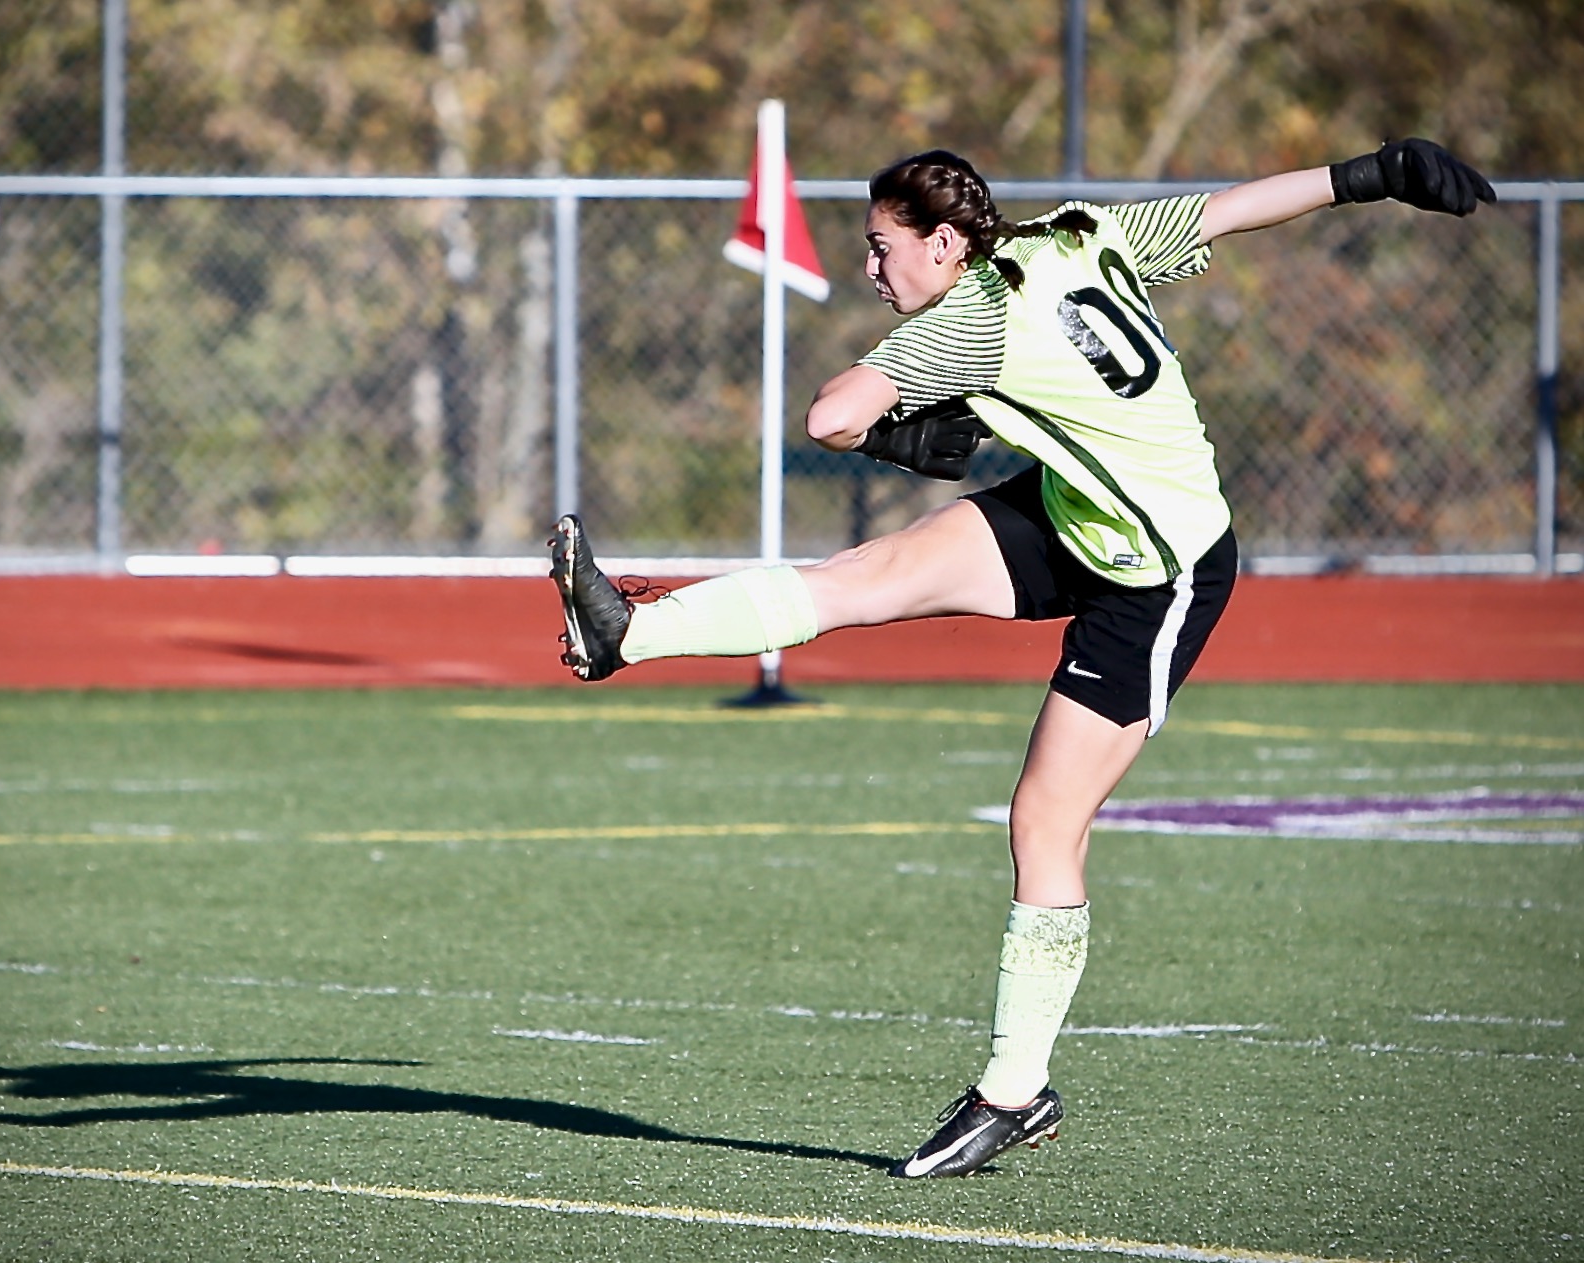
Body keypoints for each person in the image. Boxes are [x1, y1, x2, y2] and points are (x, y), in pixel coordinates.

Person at [548, 138, 1495, 1179]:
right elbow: (1225, 210)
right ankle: (625, 631)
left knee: (1045, 821)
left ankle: (1013, 1090)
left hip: (1157, 572)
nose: (870, 272)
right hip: (1073, 513)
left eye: (880, 248)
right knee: (866, 573)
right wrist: (1370, 174)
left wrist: (894, 435)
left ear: (945, 242)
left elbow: (829, 415)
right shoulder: (1076, 233)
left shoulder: (970, 317)